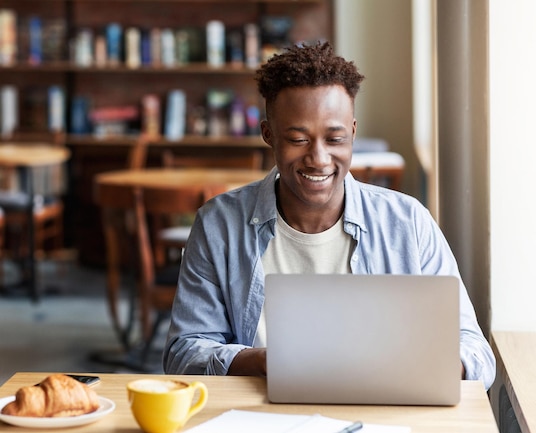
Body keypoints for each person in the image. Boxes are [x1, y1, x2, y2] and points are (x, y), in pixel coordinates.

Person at [163, 42, 496, 389]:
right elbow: (183, 354)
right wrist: (262, 361)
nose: (319, 158)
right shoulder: (219, 225)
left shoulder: (408, 223)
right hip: (260, 415)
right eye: (298, 139)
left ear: (352, 133)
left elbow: (476, 353)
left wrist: (424, 365)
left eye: (335, 139)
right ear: (268, 135)